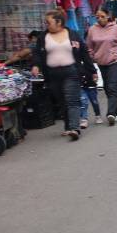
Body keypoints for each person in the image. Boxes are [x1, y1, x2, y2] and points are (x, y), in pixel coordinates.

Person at [31, 9, 96, 141]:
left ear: (58, 22)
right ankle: (68, 126)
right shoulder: (43, 37)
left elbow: (84, 53)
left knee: (72, 99)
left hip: (71, 72)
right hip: (52, 74)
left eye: (48, 22)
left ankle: (75, 128)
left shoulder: (73, 34)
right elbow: (37, 53)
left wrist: (92, 71)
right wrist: (36, 65)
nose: (46, 25)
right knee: (61, 101)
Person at [86, 6, 117, 125]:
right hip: (101, 62)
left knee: (112, 87)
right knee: (107, 88)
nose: (100, 19)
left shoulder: (115, 28)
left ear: (108, 16)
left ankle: (110, 113)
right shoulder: (92, 29)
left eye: (102, 16)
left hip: (115, 61)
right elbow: (89, 46)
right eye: (97, 17)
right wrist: (93, 56)